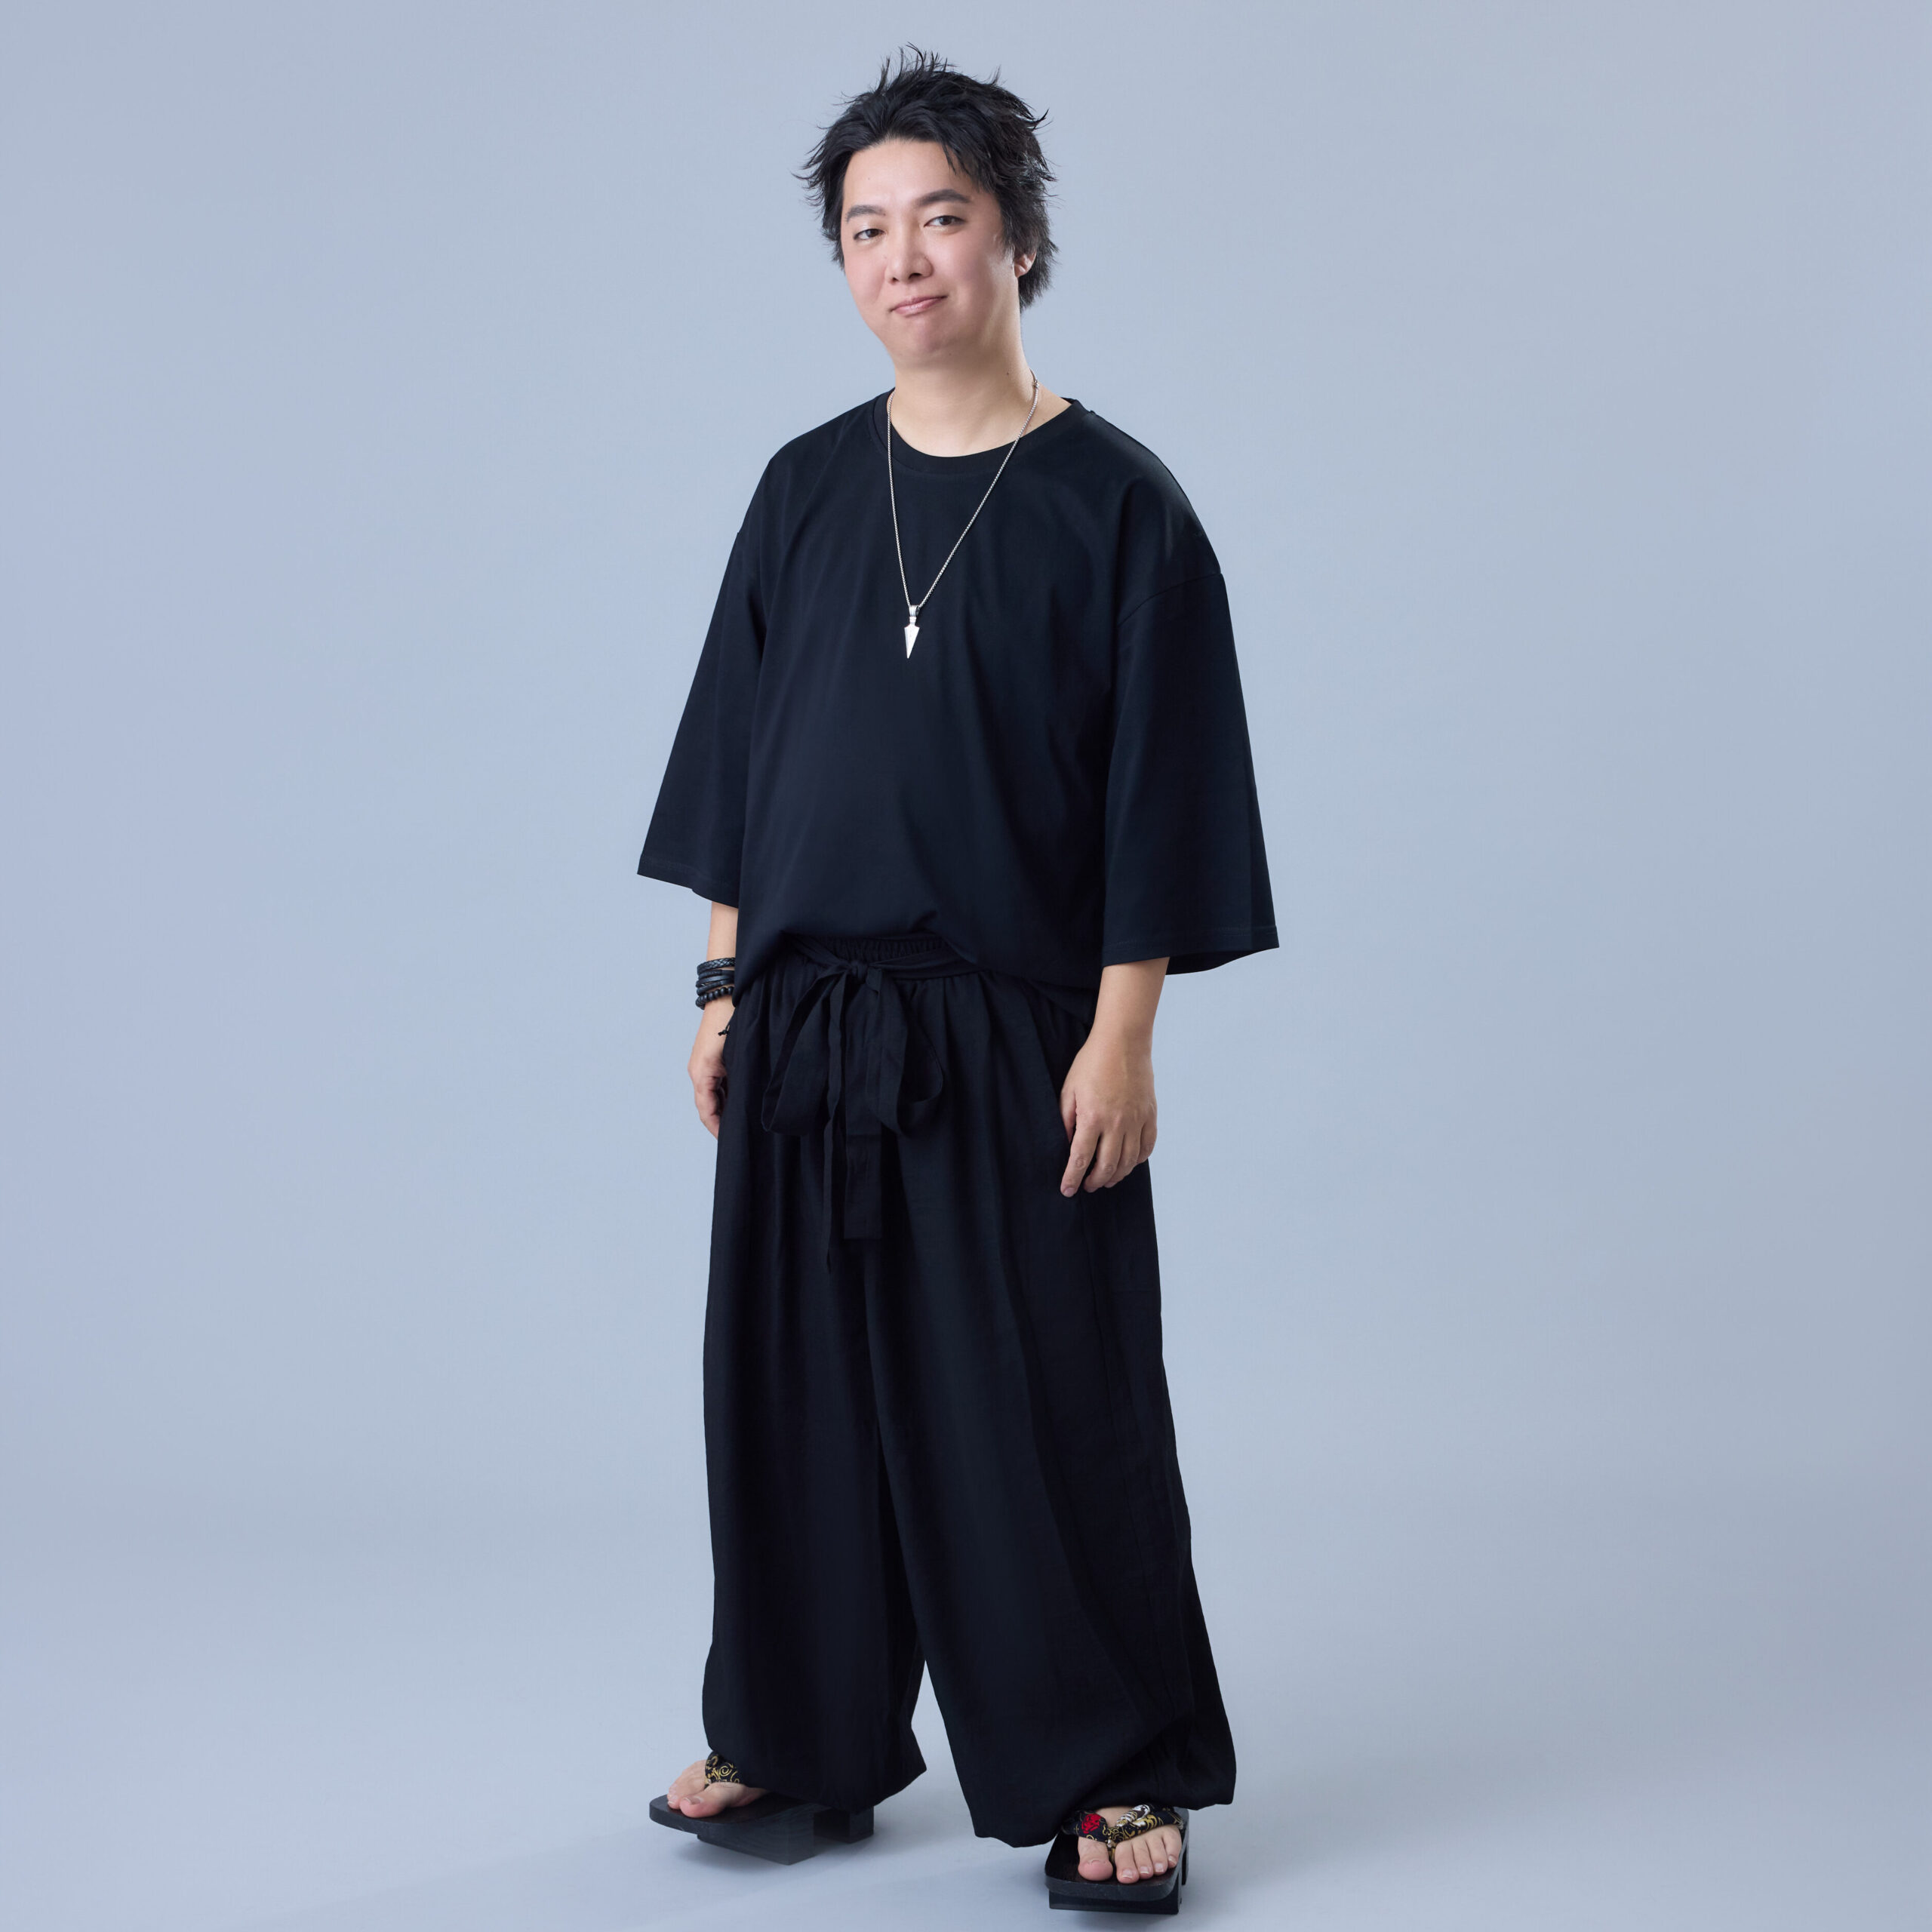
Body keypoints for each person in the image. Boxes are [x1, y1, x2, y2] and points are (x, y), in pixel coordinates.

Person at [637, 49, 1275, 1904]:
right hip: (804, 1023)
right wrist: (720, 988)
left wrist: (1123, 1033)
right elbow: (743, 754)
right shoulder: (802, 488)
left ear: (1014, 239)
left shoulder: (1118, 505)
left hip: (1013, 1032)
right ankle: (797, 1735)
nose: (900, 259)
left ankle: (1110, 1765)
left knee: (1045, 1406)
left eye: (938, 218)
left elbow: (1162, 790)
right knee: (788, 1404)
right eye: (864, 230)